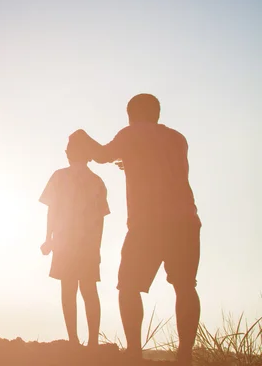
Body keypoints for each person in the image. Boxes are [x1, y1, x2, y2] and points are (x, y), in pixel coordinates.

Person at [70, 93, 201, 364]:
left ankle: (133, 353)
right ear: (157, 114)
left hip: (148, 225)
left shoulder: (131, 134)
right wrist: (129, 162)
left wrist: (83, 137)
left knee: (128, 288)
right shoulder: (178, 139)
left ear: (131, 114)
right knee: (186, 287)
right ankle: (185, 355)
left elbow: (104, 155)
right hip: (185, 222)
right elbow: (158, 164)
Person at [39, 135, 110, 347]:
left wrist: (48, 238)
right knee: (89, 290)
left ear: (69, 153)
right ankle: (94, 342)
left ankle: (73, 340)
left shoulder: (59, 177)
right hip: (87, 244)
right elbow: (100, 220)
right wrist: (97, 247)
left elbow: (52, 210)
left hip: (64, 242)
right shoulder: (97, 181)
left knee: (68, 290)